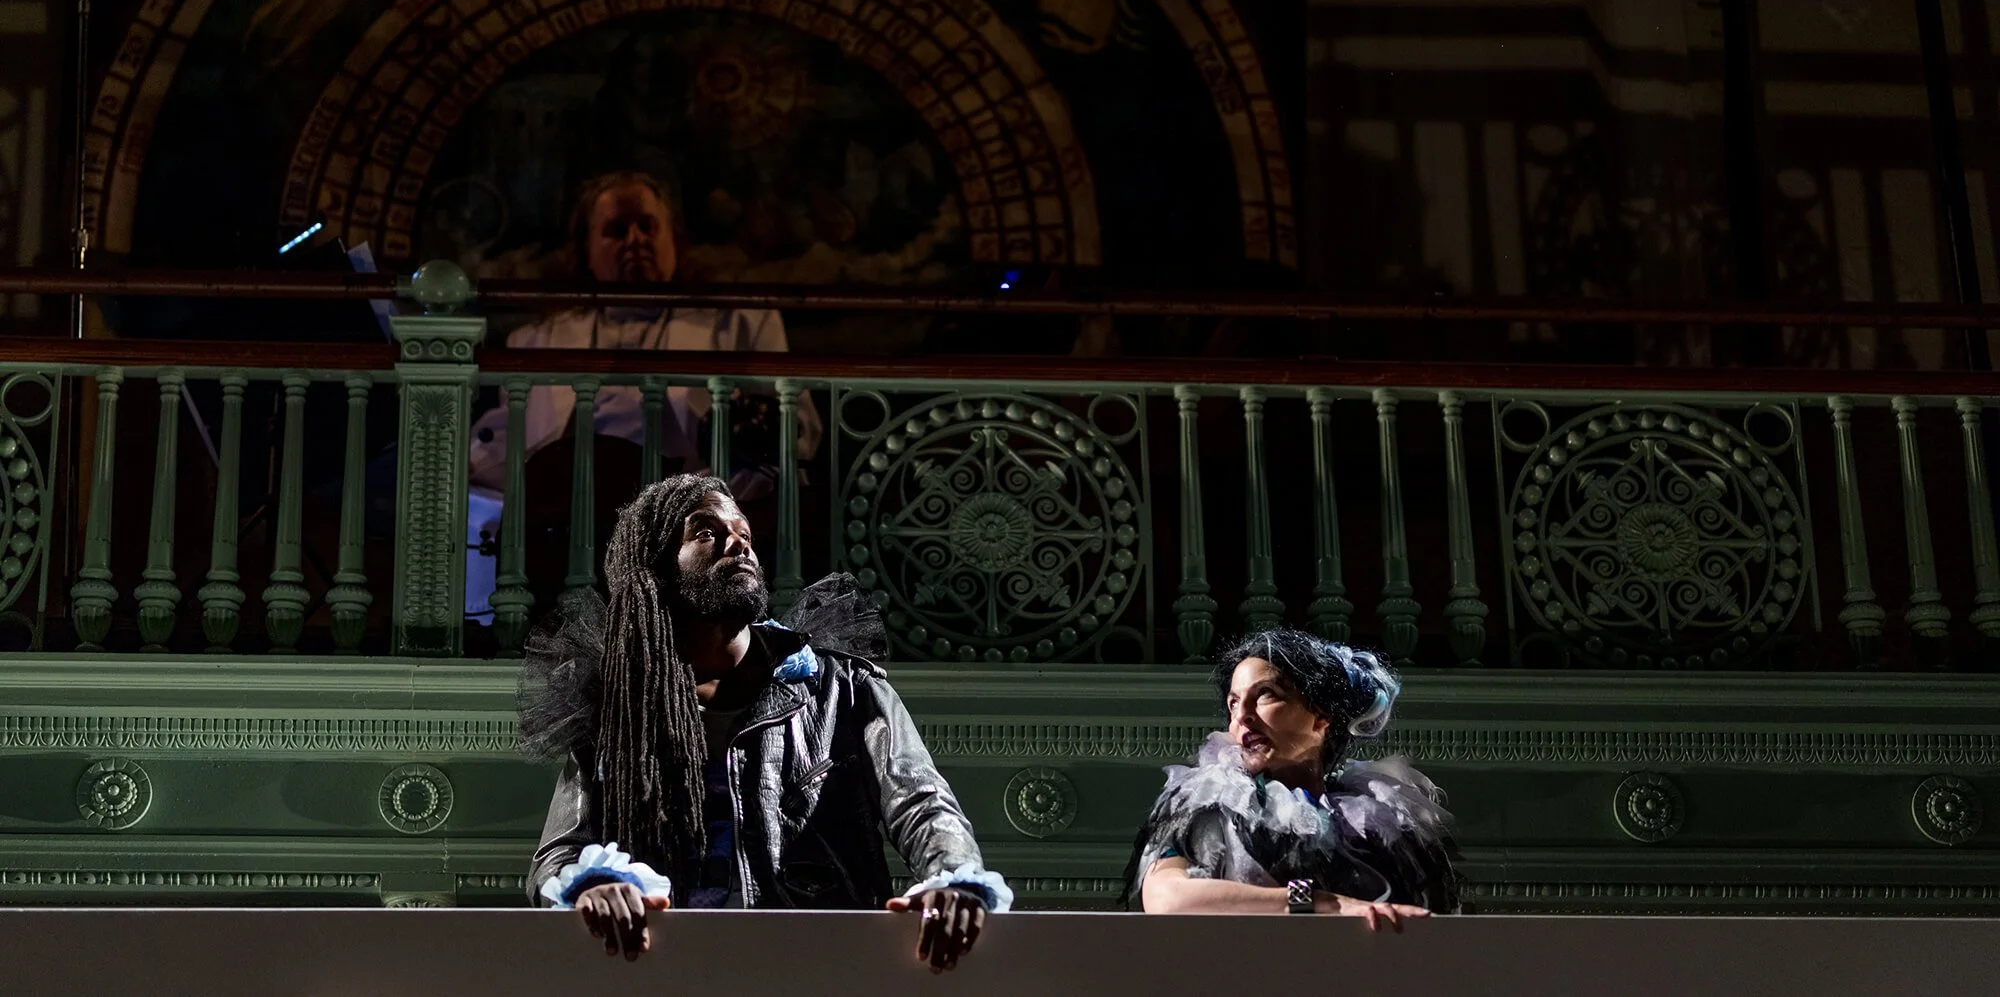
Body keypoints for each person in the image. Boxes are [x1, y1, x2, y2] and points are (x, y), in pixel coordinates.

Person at [517, 474, 1009, 969]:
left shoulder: (843, 686)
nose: (738, 544)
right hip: (667, 971)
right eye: (706, 532)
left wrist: (955, 879)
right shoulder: (617, 709)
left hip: (817, 966)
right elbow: (556, 857)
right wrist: (593, 885)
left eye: (744, 533)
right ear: (656, 568)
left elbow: (922, 802)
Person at [465, 171, 822, 617]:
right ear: (585, 249)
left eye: (648, 227)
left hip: (689, 538)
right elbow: (500, 449)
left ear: (673, 239)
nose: (635, 240)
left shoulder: (738, 323)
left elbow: (798, 433)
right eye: (616, 230)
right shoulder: (536, 339)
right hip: (569, 539)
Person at [1130, 627, 1458, 927]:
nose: (1242, 716)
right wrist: (1319, 901)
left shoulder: (1381, 825)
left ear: (1321, 716)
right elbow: (1167, 897)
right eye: (1233, 703)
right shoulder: (1208, 804)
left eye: (1265, 695)